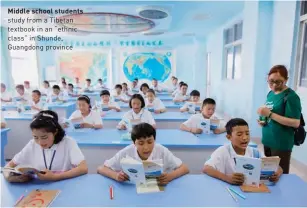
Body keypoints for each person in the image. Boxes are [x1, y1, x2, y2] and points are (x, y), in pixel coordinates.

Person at [3, 110, 88, 183]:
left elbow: (83, 168)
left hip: (64, 185)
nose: (40, 142)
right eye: (35, 137)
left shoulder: (68, 143)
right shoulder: (32, 144)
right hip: (38, 188)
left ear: (55, 132)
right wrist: (9, 177)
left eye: (44, 137)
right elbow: (8, 166)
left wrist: (55, 177)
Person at [97, 123, 189, 185]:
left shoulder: (162, 151)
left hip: (158, 192)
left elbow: (185, 168)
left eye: (150, 142)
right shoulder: (127, 152)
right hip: (132, 191)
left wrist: (170, 176)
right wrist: (116, 175)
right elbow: (101, 168)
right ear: (134, 143)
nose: (146, 147)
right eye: (141, 143)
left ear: (154, 140)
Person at [203, 118, 283, 185]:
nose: (245, 138)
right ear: (229, 137)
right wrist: (226, 178)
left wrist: (277, 174)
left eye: (247, 133)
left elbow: (278, 167)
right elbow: (206, 168)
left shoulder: (255, 153)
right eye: (239, 134)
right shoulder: (223, 151)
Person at [257, 65, 302, 174]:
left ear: (286, 80)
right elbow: (270, 113)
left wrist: (270, 114)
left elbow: (296, 123)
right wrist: (263, 120)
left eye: (279, 82)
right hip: (268, 140)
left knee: (279, 175)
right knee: (267, 174)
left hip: (281, 143)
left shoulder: (291, 97)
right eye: (271, 81)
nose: (274, 85)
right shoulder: (271, 93)